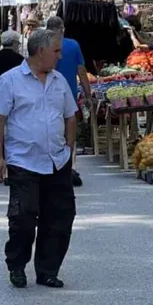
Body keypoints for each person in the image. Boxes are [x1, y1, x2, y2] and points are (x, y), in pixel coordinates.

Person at [0, 29, 77, 290]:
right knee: (23, 217)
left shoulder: (59, 80)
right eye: (57, 51)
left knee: (60, 216)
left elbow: (70, 115)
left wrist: (69, 150)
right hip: (23, 161)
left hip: (57, 161)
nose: (60, 56)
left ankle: (48, 270)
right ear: (41, 51)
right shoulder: (10, 81)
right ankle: (16, 265)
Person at [45, 16, 92, 188]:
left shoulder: (40, 46)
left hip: (46, 95)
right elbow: (81, 70)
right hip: (69, 95)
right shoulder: (73, 45)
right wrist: (88, 94)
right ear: (62, 28)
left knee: (49, 130)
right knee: (69, 133)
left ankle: (50, 167)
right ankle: (69, 166)